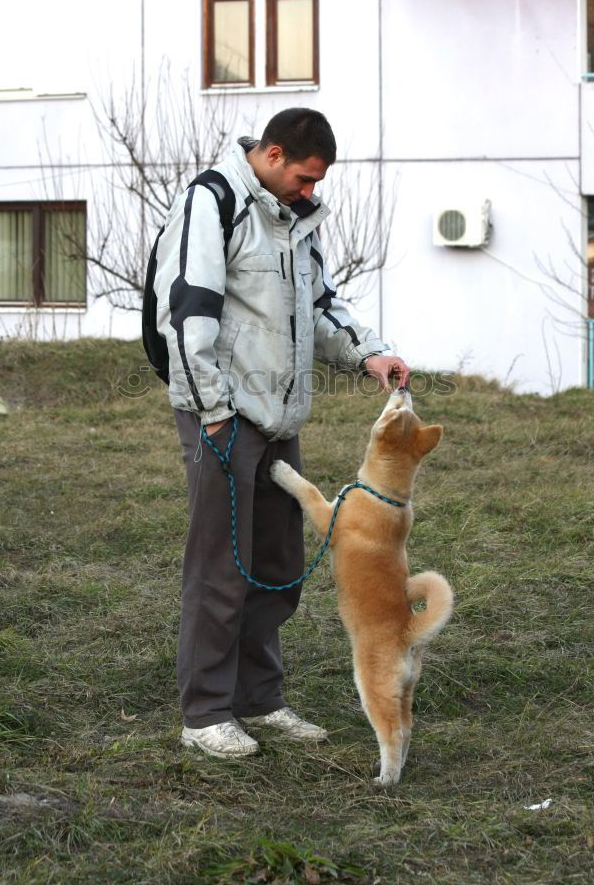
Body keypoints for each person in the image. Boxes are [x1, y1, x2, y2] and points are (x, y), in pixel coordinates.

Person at [154, 108, 410, 759]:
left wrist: (368, 353)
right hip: (224, 416)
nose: (309, 191)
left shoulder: (293, 220)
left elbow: (319, 306)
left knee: (276, 569)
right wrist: (211, 410)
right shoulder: (210, 205)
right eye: (302, 177)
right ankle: (205, 713)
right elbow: (184, 312)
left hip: (279, 419)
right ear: (271, 156)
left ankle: (259, 700)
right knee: (221, 569)